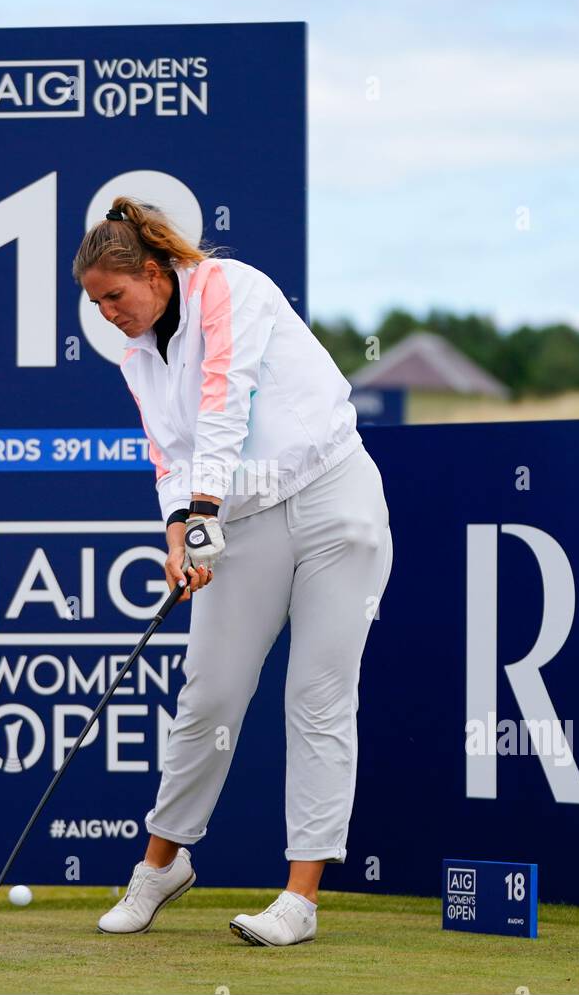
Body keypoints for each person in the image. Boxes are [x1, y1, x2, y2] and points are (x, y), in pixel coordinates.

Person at [73, 197, 393, 946]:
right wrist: (178, 533)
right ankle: (162, 866)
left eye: (115, 296)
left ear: (153, 273)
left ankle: (300, 899)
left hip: (334, 498)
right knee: (209, 695)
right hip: (240, 522)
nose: (108, 313)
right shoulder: (137, 358)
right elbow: (167, 459)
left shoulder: (232, 287)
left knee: (318, 698)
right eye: (94, 303)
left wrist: (203, 506)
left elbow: (226, 399)